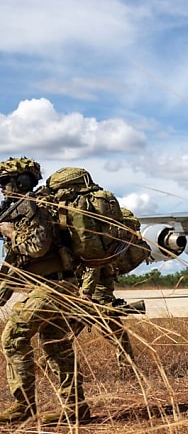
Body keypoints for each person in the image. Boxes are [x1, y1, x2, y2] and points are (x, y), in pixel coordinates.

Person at [0, 157, 90, 424]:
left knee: (14, 338)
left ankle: (23, 407)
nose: (2, 188)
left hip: (53, 286)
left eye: (5, 181)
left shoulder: (36, 209)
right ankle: (75, 408)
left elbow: (37, 247)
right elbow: (18, 262)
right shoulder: (23, 212)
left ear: (22, 181)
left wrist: (11, 234)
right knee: (55, 345)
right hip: (56, 285)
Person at [77, 265, 136, 369]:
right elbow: (93, 268)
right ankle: (127, 370)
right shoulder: (98, 257)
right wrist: (87, 292)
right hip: (98, 301)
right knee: (120, 338)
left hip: (101, 298)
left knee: (67, 336)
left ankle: (127, 369)